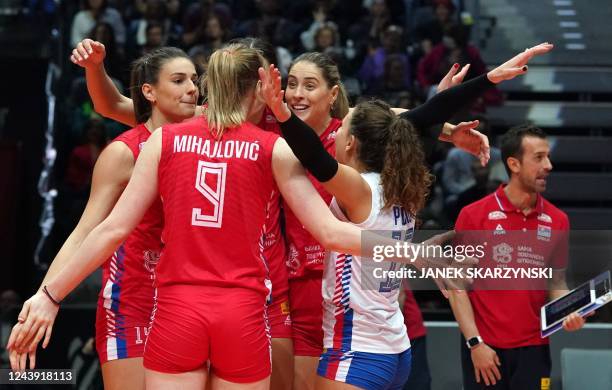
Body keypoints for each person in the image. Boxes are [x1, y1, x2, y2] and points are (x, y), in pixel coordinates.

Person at [8, 44, 455, 390]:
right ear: (260, 87)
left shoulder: (164, 141)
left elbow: (111, 229)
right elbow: (331, 233)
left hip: (177, 309)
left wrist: (50, 295)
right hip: (242, 313)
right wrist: (412, 253)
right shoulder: (273, 146)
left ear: (209, 85)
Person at [257, 41, 554, 389]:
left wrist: (281, 114)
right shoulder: (402, 183)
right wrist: (484, 81)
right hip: (394, 346)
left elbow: (315, 156)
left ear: (351, 143)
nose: (337, 129)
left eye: (344, 127)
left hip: (358, 348)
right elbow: (420, 122)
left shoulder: (358, 187)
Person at [7, 46, 199, 390]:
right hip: (135, 300)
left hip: (193, 300)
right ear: (149, 91)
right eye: (179, 79)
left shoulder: (211, 137)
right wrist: (43, 297)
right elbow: (85, 232)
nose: (192, 88)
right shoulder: (123, 153)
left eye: (195, 80)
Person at [449, 124, 587, 390]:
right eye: (538, 157)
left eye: (548, 156)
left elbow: (556, 283)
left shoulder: (558, 220)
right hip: (485, 349)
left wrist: (571, 310)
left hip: (535, 350)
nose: (548, 165)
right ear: (513, 163)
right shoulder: (474, 215)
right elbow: (457, 288)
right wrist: (475, 343)